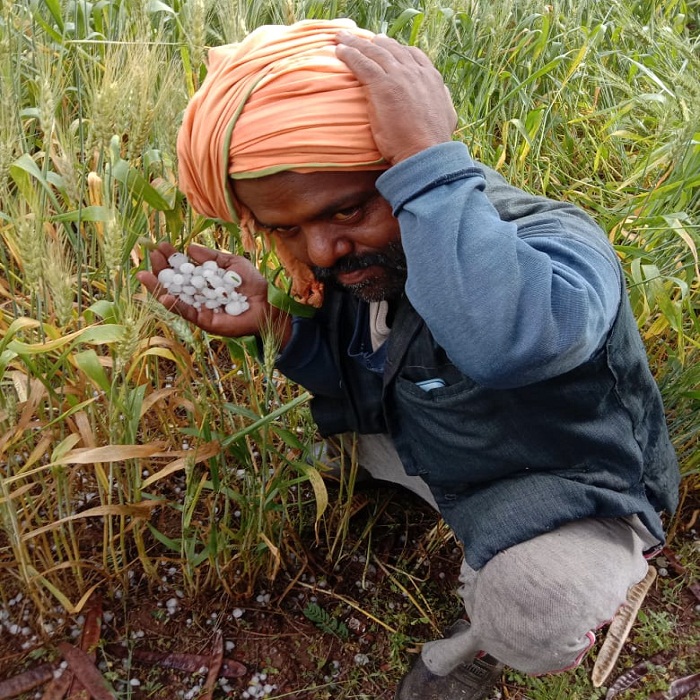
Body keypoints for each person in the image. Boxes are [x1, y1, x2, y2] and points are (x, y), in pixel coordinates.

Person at [137, 19, 681, 700]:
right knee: (346, 434)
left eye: (348, 209)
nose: (320, 252)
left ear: (414, 170)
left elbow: (507, 342)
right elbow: (366, 377)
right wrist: (275, 322)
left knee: (534, 603)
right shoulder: (364, 265)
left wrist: (427, 152)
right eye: (286, 230)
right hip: (450, 446)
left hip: (574, 484)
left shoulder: (555, 243)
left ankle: (506, 626)